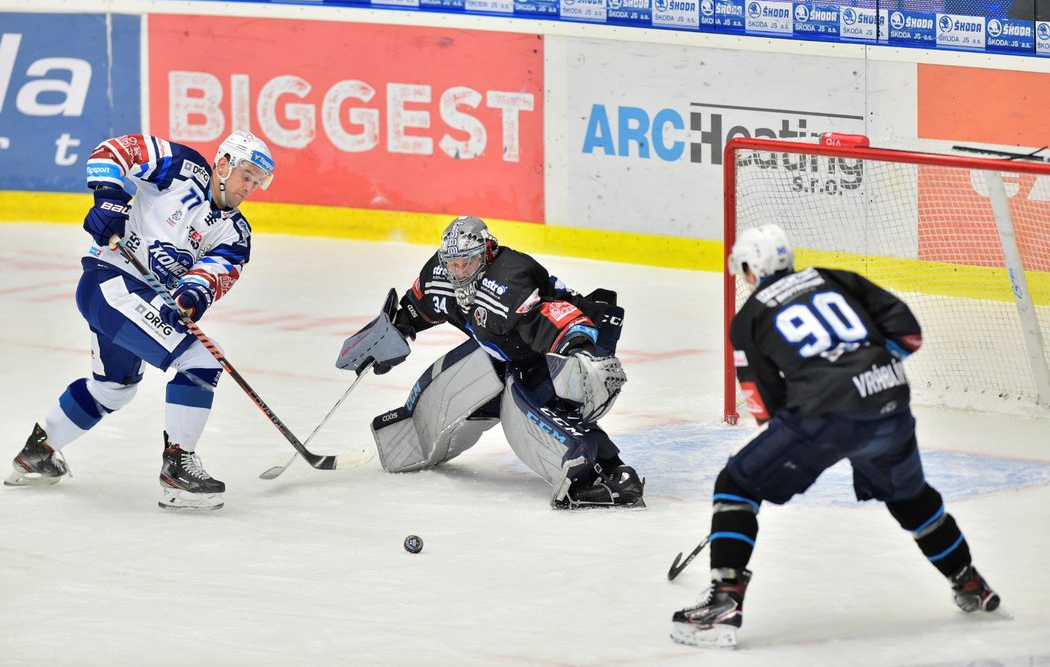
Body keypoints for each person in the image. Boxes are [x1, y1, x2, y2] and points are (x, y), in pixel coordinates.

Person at [670, 224, 1000, 649]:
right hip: (890, 402)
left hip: (826, 416)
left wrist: (819, 406)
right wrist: (866, 373)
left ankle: (724, 600)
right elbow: (908, 333)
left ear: (752, 268)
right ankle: (970, 583)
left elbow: (765, 406)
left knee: (736, 484)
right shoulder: (834, 277)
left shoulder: (748, 318)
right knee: (910, 497)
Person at [4, 131, 275, 512]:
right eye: (246, 175)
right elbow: (114, 150)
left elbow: (214, 275)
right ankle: (177, 470)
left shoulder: (236, 233)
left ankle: (38, 453)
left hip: (129, 299)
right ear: (225, 164)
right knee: (202, 361)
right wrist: (109, 199)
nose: (250, 187)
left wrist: (191, 295)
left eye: (257, 182)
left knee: (113, 389)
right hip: (109, 281)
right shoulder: (182, 167)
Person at [347, 215, 644, 509]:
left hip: (569, 344)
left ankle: (605, 475)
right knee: (449, 384)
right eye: (453, 264)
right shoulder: (440, 275)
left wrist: (580, 351)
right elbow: (417, 307)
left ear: (486, 253)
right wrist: (394, 332)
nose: (459, 271)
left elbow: (549, 321)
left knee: (526, 411)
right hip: (509, 351)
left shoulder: (506, 284)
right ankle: (414, 437)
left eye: (467, 263)